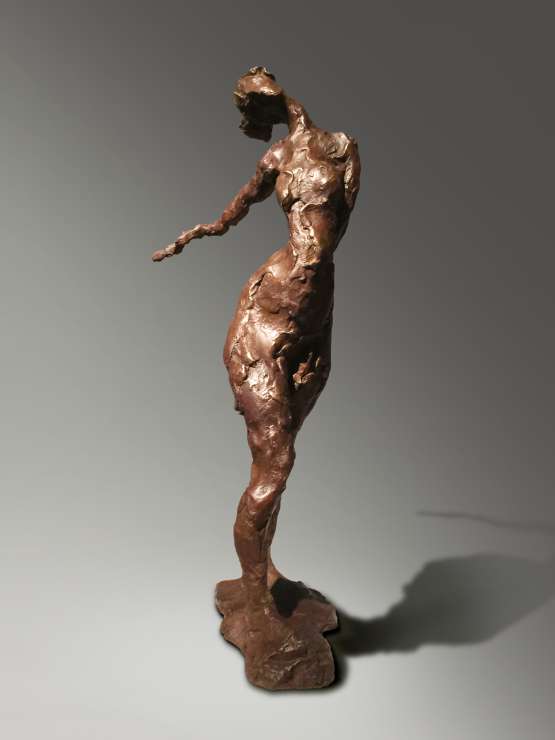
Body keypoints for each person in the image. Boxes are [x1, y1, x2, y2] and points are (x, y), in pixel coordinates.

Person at [152, 65, 360, 625]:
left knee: (279, 456)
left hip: (313, 318)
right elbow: (233, 213)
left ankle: (264, 572)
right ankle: (255, 601)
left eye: (248, 101)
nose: (252, 108)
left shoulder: (343, 149)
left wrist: (316, 322)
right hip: (264, 321)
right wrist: (196, 233)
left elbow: (333, 239)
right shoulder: (275, 159)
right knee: (276, 462)